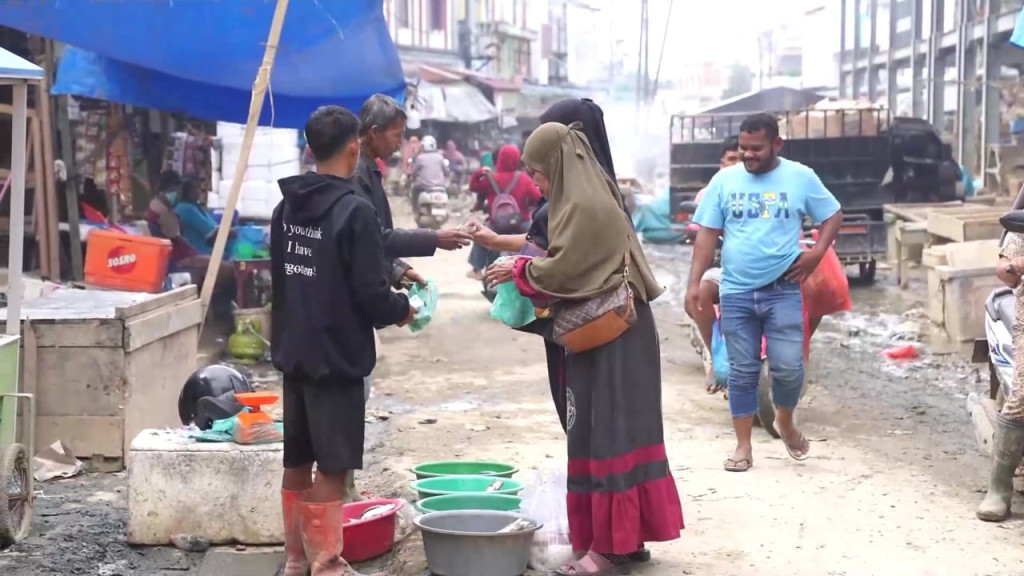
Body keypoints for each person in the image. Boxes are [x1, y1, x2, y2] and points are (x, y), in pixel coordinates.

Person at [485, 122, 683, 575]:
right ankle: (618, 540)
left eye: (537, 171)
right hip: (604, 333)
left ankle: (611, 549)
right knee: (600, 428)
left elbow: (568, 269)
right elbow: (567, 264)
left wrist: (520, 271)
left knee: (611, 430)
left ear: (558, 162)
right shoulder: (578, 202)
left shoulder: (588, 206)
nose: (534, 181)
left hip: (615, 336)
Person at [272, 105, 412, 576]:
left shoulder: (284, 207)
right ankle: (326, 564)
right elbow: (373, 296)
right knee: (332, 466)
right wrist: (403, 309)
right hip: (337, 357)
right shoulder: (355, 210)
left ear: (310, 149)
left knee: (298, 458)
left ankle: (296, 560)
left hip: (295, 351)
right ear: (355, 145)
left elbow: (285, 280)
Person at [685, 113, 843, 472]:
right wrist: (695, 284)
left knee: (789, 368)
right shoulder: (724, 181)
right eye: (743, 148)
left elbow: (832, 215)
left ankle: (784, 421)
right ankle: (742, 447)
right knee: (742, 372)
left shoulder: (800, 177)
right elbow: (707, 234)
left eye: (756, 148)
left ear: (777, 144)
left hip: (783, 290)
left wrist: (816, 254)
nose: (748, 155)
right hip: (736, 291)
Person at [469, 98, 623, 435]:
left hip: (589, 321)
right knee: (583, 415)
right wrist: (497, 242)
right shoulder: (577, 189)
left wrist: (521, 269)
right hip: (576, 320)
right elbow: (547, 239)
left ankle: (596, 485)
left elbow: (571, 263)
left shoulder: (586, 199)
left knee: (589, 418)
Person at [977, 230, 1024, 522]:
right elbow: (1003, 269)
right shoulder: (1021, 225)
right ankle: (998, 490)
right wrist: (1017, 264)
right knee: (1022, 396)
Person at [690, 136, 740, 392]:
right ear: (722, 161)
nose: (737, 163)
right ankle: (716, 357)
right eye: (732, 159)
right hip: (723, 265)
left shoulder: (768, 185)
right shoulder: (713, 190)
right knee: (702, 291)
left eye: (741, 158)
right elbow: (703, 234)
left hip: (764, 267)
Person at [465, 145, 542, 279]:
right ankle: (537, 265)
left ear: (500, 159)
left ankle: (476, 269)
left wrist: (480, 172)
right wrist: (527, 204)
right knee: (536, 238)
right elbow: (537, 197)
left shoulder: (492, 178)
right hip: (520, 223)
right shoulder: (523, 178)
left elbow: (474, 186)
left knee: (481, 236)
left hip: (496, 225)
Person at [174, 179, 237, 258]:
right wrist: (235, 232)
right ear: (189, 191)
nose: (200, 191)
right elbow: (212, 233)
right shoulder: (186, 209)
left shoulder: (193, 206)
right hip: (200, 252)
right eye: (197, 188)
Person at [410, 135, 449, 200]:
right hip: (440, 185)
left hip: (425, 186)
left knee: (414, 190)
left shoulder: (420, 158)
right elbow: (446, 171)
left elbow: (414, 172)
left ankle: (415, 209)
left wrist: (413, 178)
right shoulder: (440, 157)